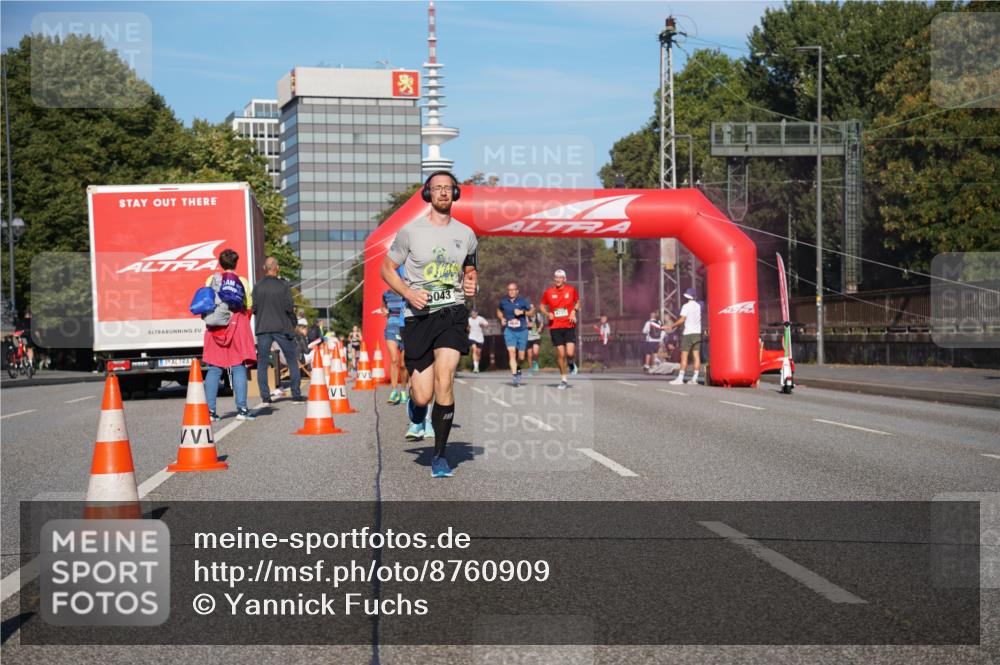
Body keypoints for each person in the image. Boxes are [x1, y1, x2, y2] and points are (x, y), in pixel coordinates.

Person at [381, 170, 478, 478]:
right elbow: (386, 269)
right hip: (418, 316)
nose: (443, 193)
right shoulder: (411, 232)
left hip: (452, 313)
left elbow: (471, 268)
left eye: (448, 188)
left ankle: (439, 454)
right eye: (437, 188)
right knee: (422, 394)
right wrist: (408, 291)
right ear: (428, 194)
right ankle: (417, 409)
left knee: (445, 379)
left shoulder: (467, 234)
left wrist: (472, 283)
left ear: (455, 193)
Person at [202, 248, 257, 421]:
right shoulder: (242, 281)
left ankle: (210, 412)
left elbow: (206, 302)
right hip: (237, 325)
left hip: (215, 327)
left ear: (220, 263)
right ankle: (241, 410)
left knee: (214, 367)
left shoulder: (211, 279)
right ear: (236, 262)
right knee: (238, 366)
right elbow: (248, 306)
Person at [251, 257, 304, 403]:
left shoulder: (258, 287)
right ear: (277, 268)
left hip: (263, 328)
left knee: (262, 362)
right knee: (292, 360)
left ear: (264, 268)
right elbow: (289, 308)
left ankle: (266, 397)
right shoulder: (284, 286)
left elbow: (254, 309)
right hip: (282, 327)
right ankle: (296, 394)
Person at [539, 269, 580, 390]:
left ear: (564, 279)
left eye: (560, 277)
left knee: (570, 353)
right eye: (556, 277)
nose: (557, 279)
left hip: (569, 325)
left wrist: (573, 311)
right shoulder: (548, 292)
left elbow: (577, 302)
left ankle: (571, 363)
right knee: (561, 354)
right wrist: (547, 314)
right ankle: (563, 379)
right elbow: (541, 306)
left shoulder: (571, 290)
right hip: (555, 326)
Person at [496, 281, 534, 387]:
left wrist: (522, 312)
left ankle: (518, 369)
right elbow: (499, 310)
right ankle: (515, 376)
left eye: (513, 289)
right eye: (509, 290)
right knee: (511, 353)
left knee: (521, 357)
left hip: (522, 331)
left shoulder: (523, 301)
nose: (511, 291)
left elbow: (532, 312)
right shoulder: (503, 302)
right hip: (509, 331)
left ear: (517, 291)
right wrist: (501, 318)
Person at [381, 281, 409, 404]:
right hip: (391, 328)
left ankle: (403, 390)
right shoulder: (386, 294)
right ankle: (393, 391)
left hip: (405, 328)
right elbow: (383, 307)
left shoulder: (406, 292)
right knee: (394, 360)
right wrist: (383, 310)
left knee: (403, 365)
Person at [668, 288, 703, 384]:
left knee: (684, 356)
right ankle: (694, 379)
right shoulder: (699, 306)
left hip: (688, 333)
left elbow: (682, 319)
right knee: (696, 356)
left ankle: (680, 378)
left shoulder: (685, 306)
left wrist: (672, 325)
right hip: (697, 333)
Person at [467, 308, 489, 373]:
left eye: (475, 312)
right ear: (471, 313)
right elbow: (466, 328)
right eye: (472, 313)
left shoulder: (480, 318)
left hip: (480, 338)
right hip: (472, 336)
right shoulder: (469, 320)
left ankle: (477, 365)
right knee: (474, 349)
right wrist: (468, 328)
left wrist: (482, 324)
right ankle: (475, 367)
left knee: (478, 353)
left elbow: (486, 324)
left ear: (477, 313)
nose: (474, 314)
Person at [527, 309, 543, 374]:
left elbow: (541, 323)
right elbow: (523, 324)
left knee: (535, 352)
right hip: (528, 337)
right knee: (529, 355)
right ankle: (530, 369)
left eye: (532, 308)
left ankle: (535, 362)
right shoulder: (525, 316)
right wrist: (527, 325)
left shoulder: (538, 315)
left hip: (536, 336)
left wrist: (540, 328)